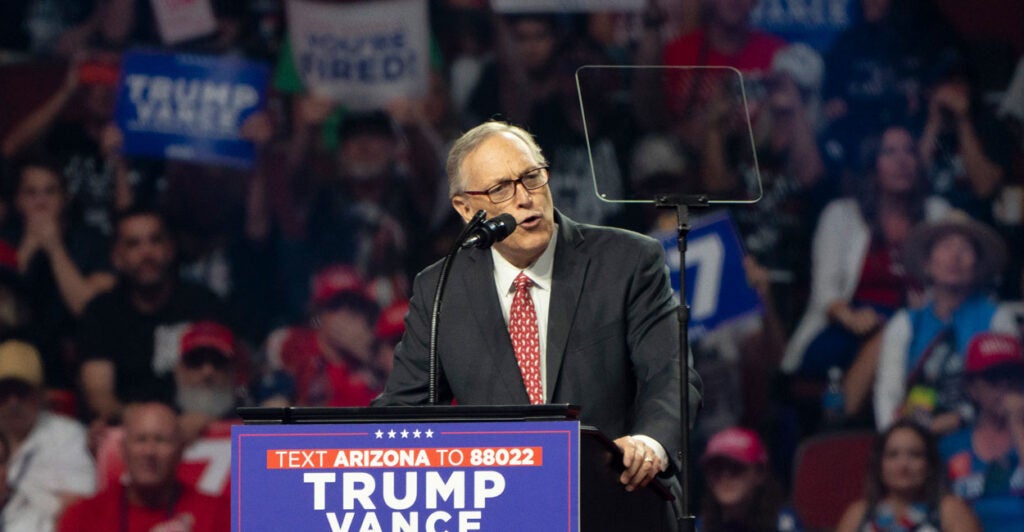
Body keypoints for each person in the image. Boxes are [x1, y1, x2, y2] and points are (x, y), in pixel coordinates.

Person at [373, 121, 702, 511]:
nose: (524, 198)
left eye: (531, 178)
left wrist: (649, 443)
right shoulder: (441, 287)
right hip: (502, 508)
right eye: (500, 189)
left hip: (618, 500)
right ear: (465, 208)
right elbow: (402, 414)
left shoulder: (628, 262)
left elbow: (670, 374)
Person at [784, 125, 950, 380]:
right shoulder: (841, 214)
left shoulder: (937, 213)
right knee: (830, 354)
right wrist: (851, 318)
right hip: (851, 322)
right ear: (872, 166)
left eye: (909, 151)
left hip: (918, 325)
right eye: (890, 152)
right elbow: (824, 292)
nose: (902, 161)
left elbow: (952, 285)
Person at [873, 212, 1017, 433]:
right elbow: (888, 393)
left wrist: (958, 420)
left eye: (965, 248)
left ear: (978, 266)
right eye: (945, 246)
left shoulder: (998, 319)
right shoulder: (906, 323)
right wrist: (898, 441)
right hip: (918, 440)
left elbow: (1009, 392)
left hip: (982, 435)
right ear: (928, 264)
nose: (954, 256)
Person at [77, 208, 224, 423]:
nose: (146, 253)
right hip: (132, 431)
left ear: (171, 248)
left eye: (155, 241)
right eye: (134, 244)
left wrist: (200, 416)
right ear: (117, 257)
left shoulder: (203, 304)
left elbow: (225, 378)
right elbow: (100, 397)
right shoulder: (101, 312)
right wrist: (149, 422)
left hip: (199, 426)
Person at [3, 157, 114, 390]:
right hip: (12, 352)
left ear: (65, 198)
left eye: (50, 192)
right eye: (31, 193)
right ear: (17, 200)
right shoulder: (5, 240)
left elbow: (88, 311)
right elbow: (5, 308)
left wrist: (55, 248)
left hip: (77, 353)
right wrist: (28, 248)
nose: (41, 202)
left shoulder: (94, 241)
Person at [58, 402, 230, 532]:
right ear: (124, 450)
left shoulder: (220, 514)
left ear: (180, 450)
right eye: (140, 440)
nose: (149, 452)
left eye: (161, 440)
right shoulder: (84, 516)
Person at [0, 339, 95, 532]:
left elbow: (81, 506)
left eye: (21, 392)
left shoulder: (69, 435)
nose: (13, 402)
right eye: (4, 393)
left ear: (41, 394)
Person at [265, 264, 383, 407]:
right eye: (336, 306)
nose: (345, 315)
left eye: (353, 305)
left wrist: (370, 356)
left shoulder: (379, 354)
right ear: (319, 312)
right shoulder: (293, 346)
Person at [939, 332, 1024, 532]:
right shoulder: (949, 446)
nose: (1005, 384)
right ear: (971, 387)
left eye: (1012, 375)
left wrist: (1018, 422)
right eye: (993, 377)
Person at [836, 419, 980, 531]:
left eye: (915, 455)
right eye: (893, 455)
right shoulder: (859, 514)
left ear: (929, 464)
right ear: (879, 465)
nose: (903, 465)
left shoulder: (950, 511)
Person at [698, 427, 801, 531]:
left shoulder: (783, 524)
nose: (725, 477)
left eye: (735, 467)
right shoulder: (698, 527)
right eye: (716, 468)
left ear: (759, 473)